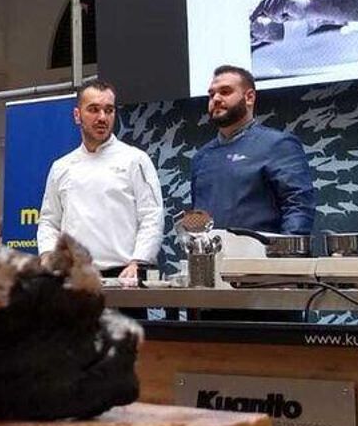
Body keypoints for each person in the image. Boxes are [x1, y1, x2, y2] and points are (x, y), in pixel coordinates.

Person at [36, 81, 165, 284]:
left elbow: (151, 216)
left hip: (124, 279)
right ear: (77, 115)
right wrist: (47, 255)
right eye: (94, 110)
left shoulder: (135, 160)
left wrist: (138, 262)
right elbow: (49, 221)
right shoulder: (61, 167)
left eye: (109, 110)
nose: (102, 117)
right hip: (74, 280)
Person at [191, 65, 316, 235]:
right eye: (212, 94)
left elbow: (298, 205)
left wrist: (287, 256)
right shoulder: (201, 157)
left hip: (263, 257)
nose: (216, 99)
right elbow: (198, 213)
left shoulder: (278, 144)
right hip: (211, 258)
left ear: (249, 97)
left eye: (225, 91)